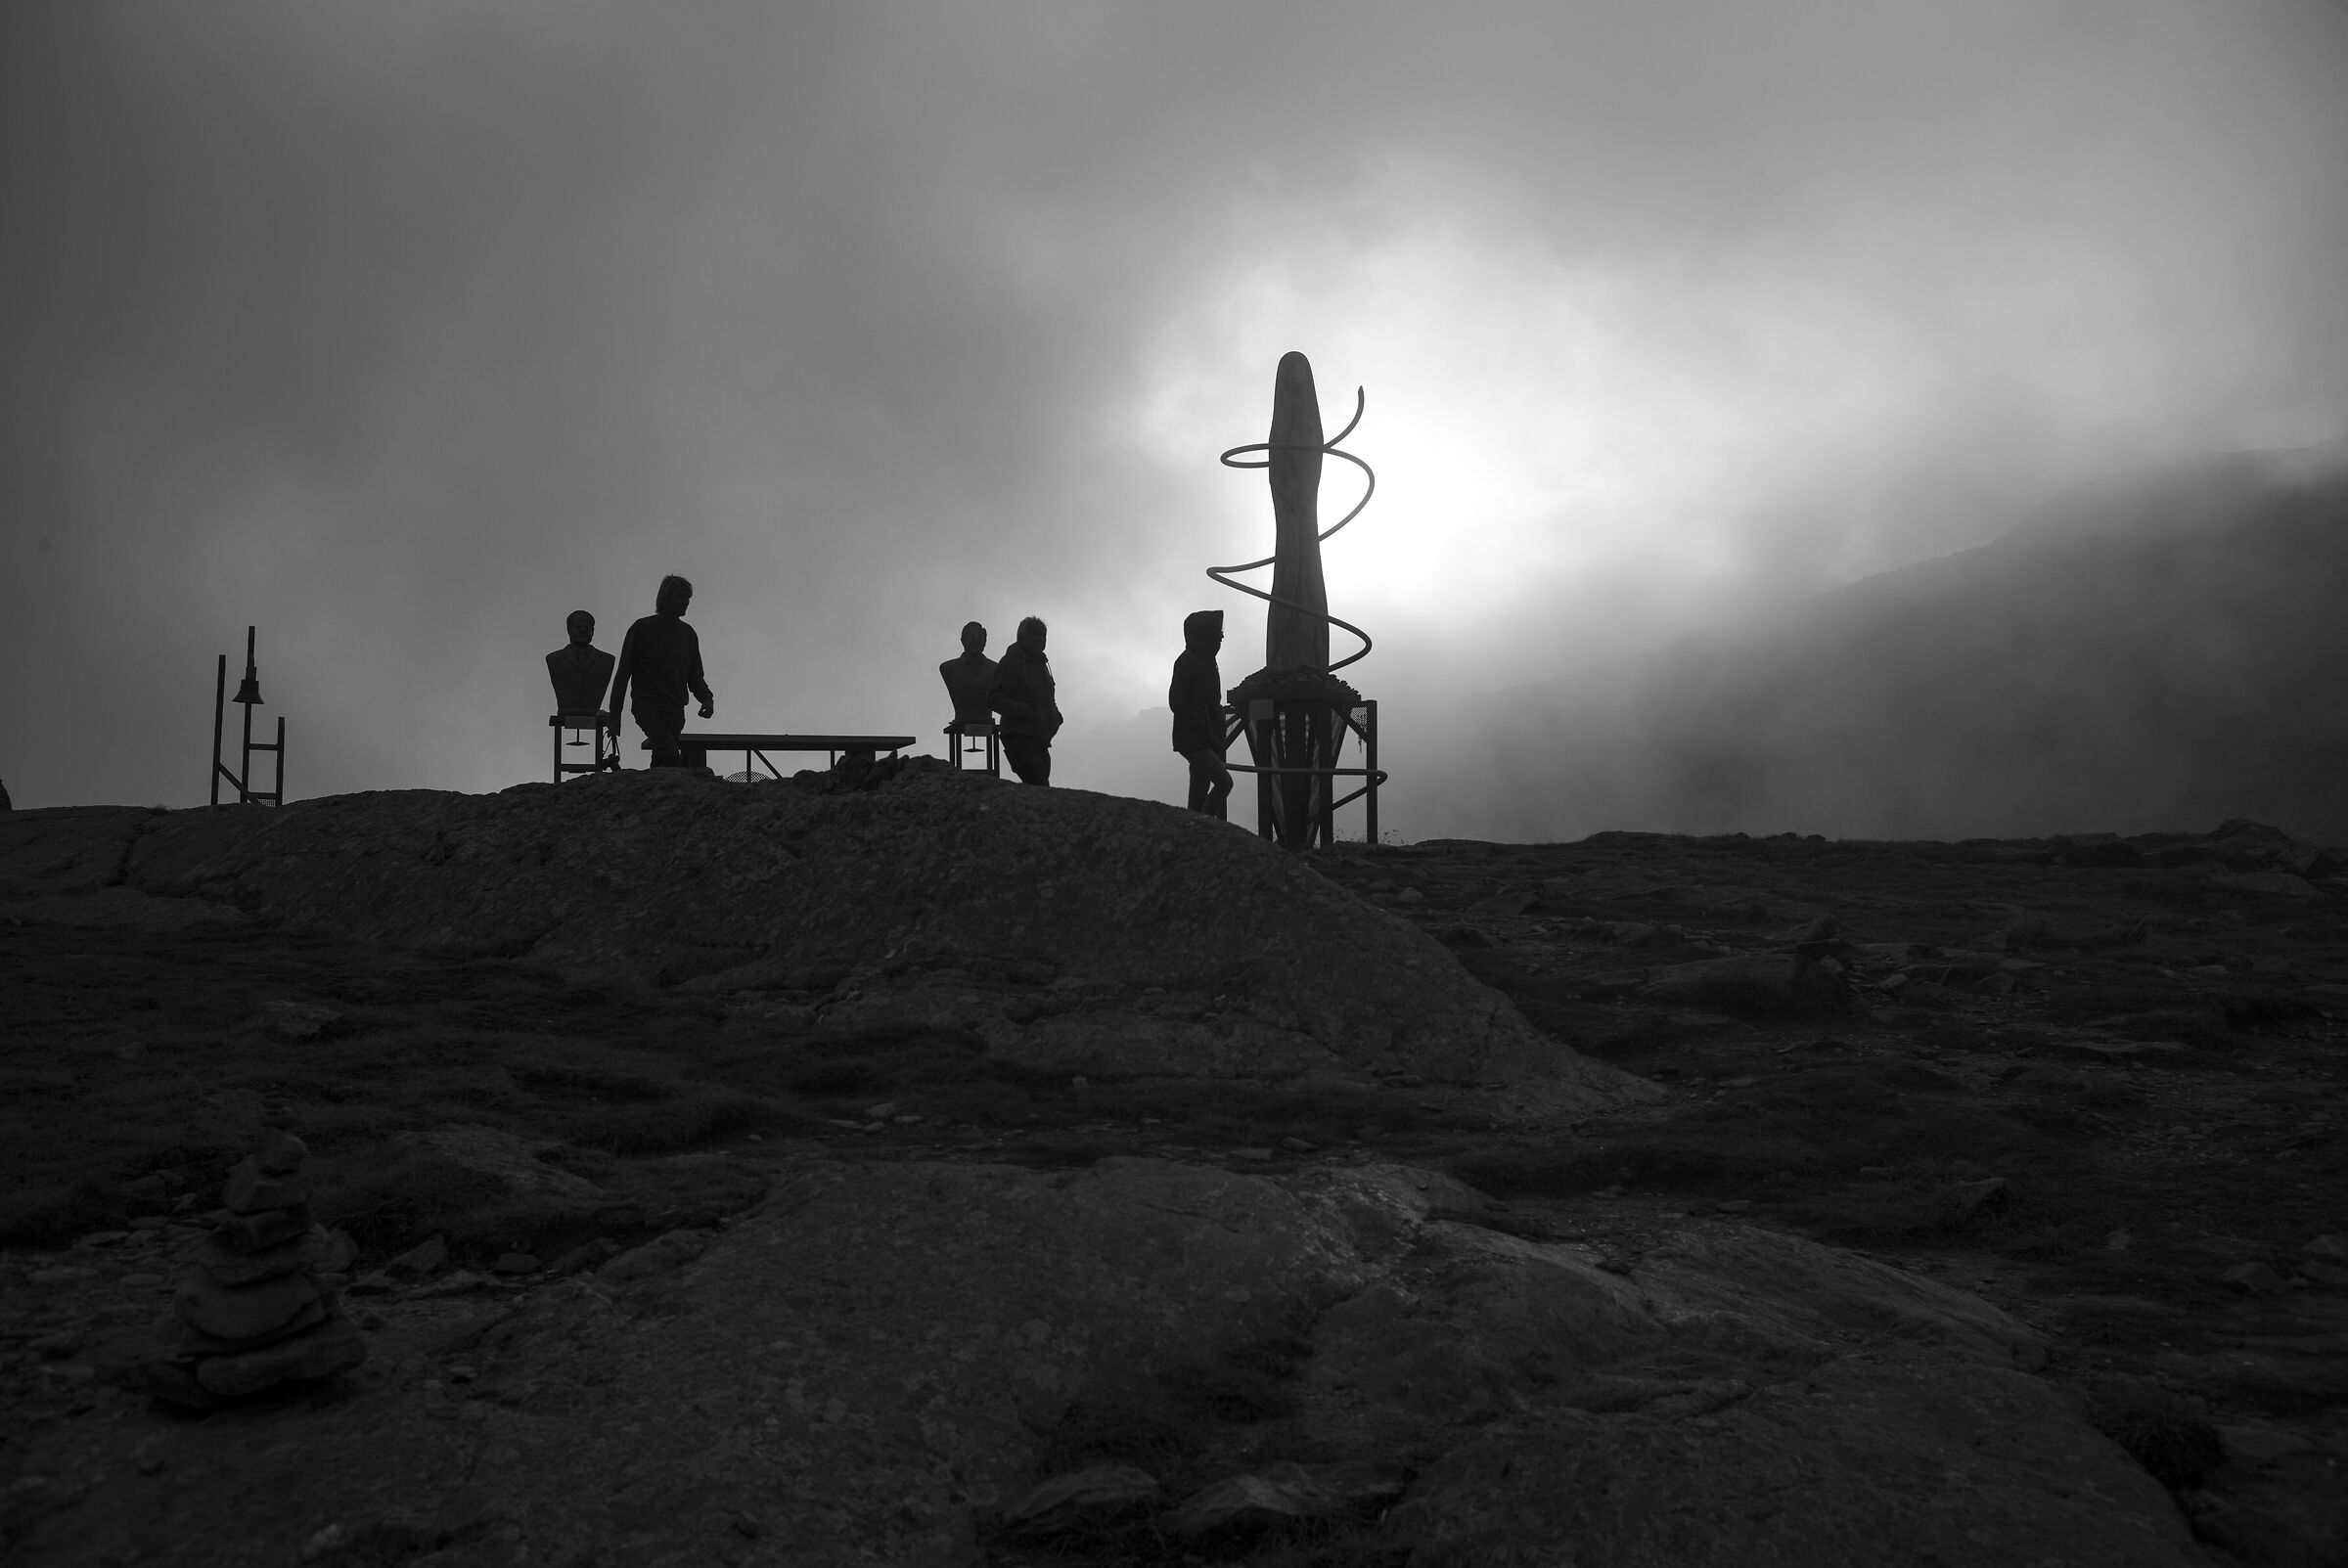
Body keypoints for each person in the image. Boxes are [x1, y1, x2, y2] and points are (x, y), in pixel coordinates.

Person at [610, 575, 715, 769]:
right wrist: (614, 715)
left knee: (663, 764)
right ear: (666, 597)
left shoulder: (688, 634)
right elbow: (623, 673)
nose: (685, 602)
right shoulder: (641, 629)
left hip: (676, 711)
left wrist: (707, 698)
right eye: (680, 596)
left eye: (688, 598)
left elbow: (695, 676)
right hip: (648, 708)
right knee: (672, 757)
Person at [1169, 609, 1233, 819]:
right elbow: (1176, 700)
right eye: (1217, 631)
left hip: (1205, 738)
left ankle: (1191, 835)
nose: (1221, 636)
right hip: (1194, 739)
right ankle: (1203, 829)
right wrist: (1200, 722)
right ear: (1205, 633)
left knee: (1197, 796)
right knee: (1224, 781)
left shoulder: (1207, 662)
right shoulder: (1187, 661)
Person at [988, 615, 1061, 785]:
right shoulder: (1010, 662)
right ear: (1022, 638)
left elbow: (1048, 697)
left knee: (1039, 787)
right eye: (1034, 635)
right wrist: (1025, 712)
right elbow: (994, 698)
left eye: (1042, 635)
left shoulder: (1041, 664)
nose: (1039, 639)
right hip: (1019, 736)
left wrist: (1056, 716)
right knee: (1039, 786)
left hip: (1040, 738)